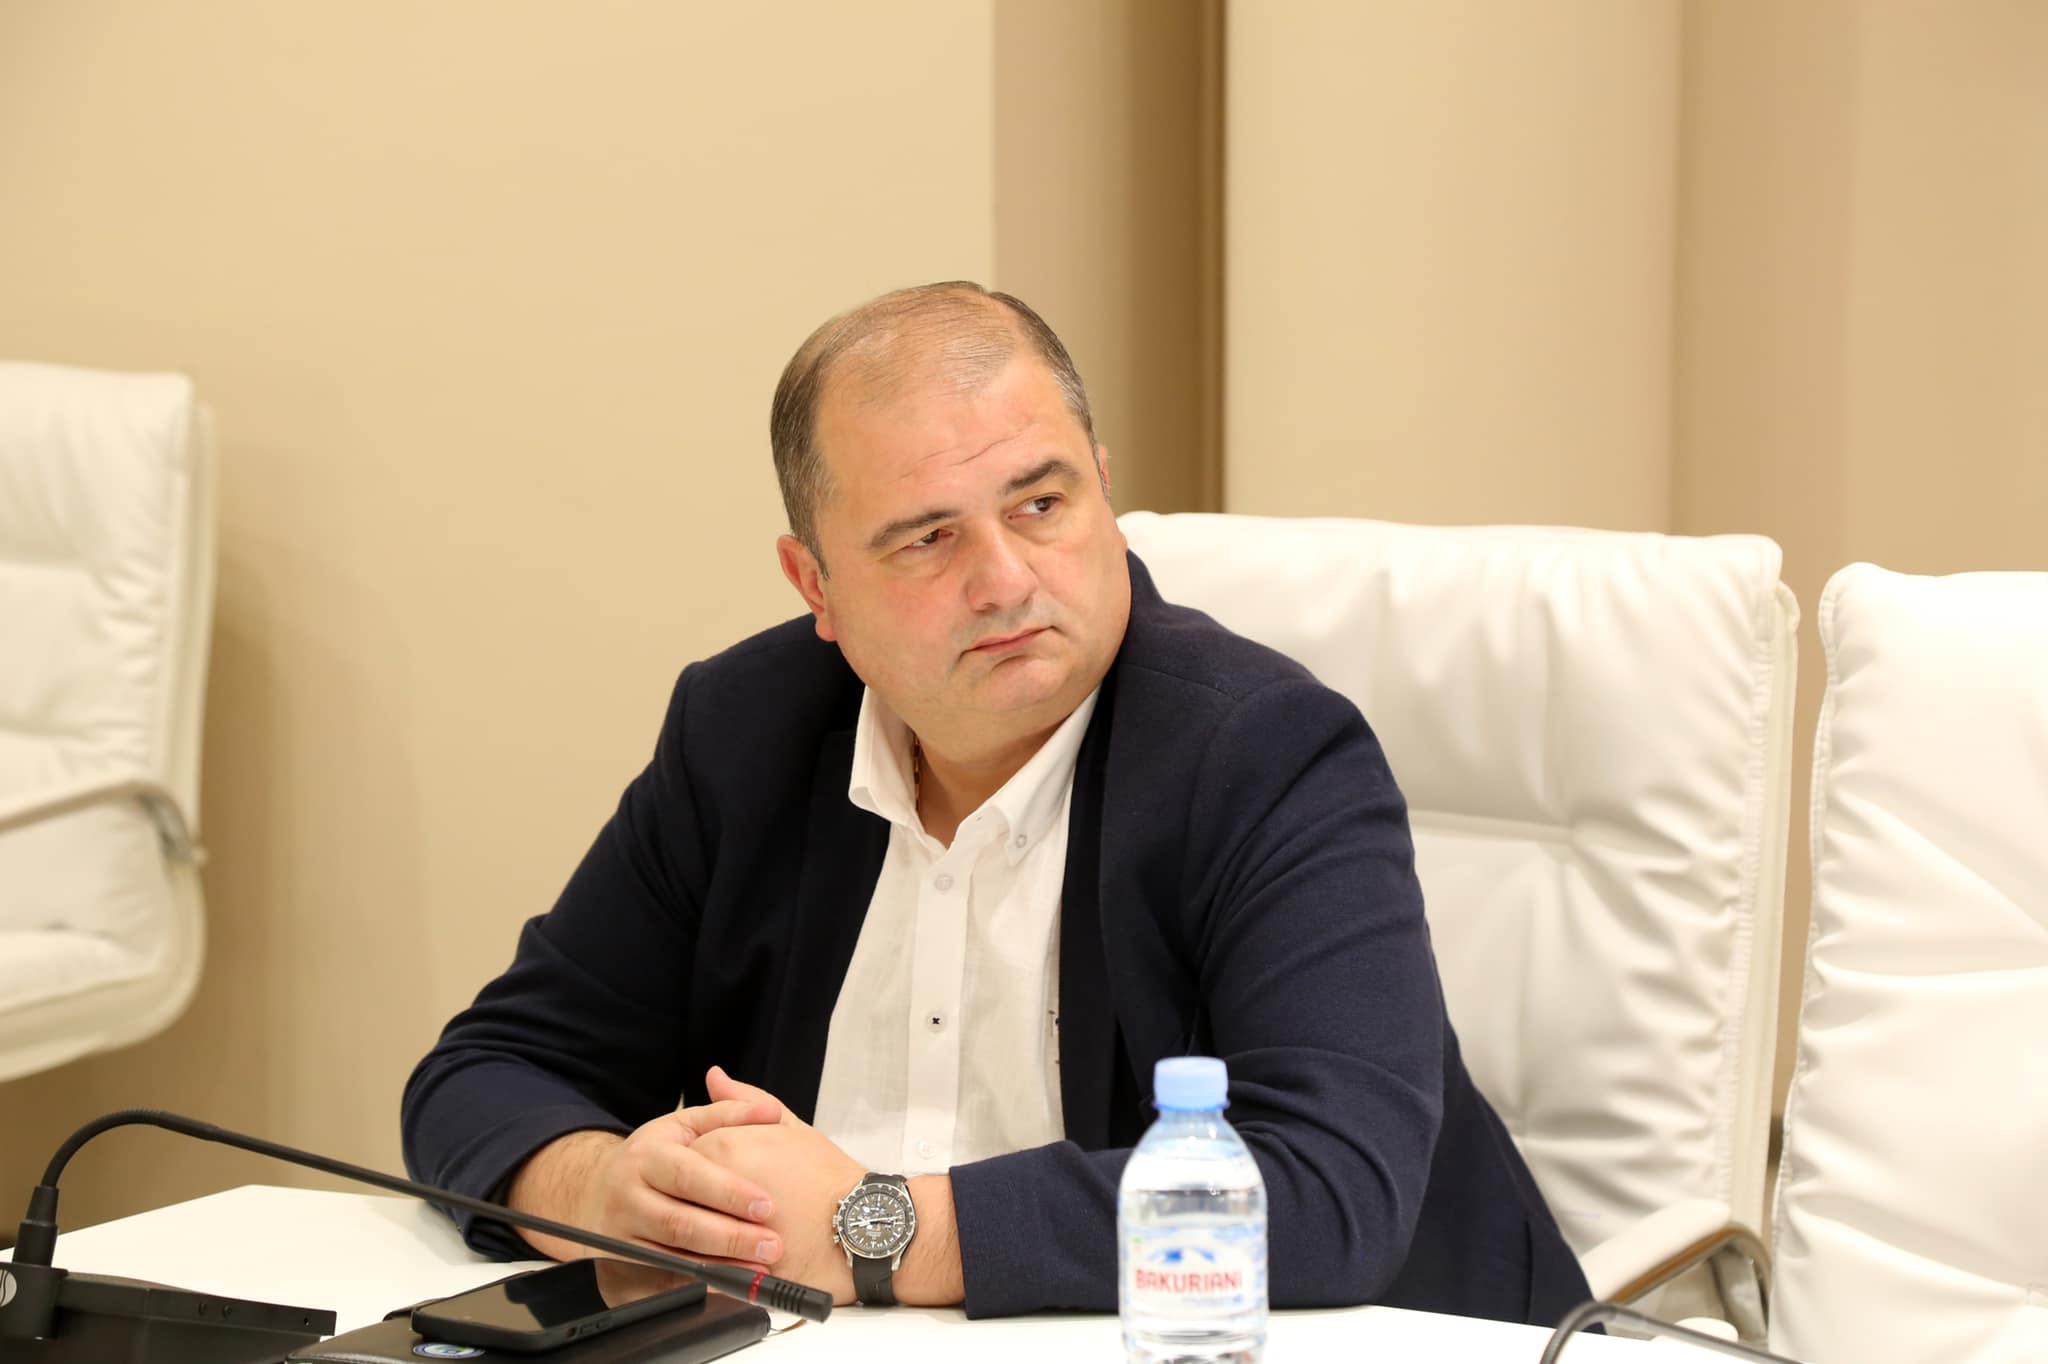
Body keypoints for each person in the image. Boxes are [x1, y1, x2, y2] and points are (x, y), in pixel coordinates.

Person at [401, 281, 1589, 1322]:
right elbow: (491, 1067)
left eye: (1040, 504)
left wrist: (874, 1228)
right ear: (816, 584)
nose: (1006, 579)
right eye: (926, 538)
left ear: (1102, 491)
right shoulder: (743, 734)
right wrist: (601, 1189)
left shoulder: (1264, 752)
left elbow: (1328, 1190)